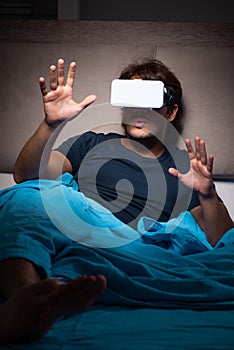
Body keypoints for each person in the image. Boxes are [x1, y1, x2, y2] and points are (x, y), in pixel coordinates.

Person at [0, 58, 233, 344]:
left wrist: (207, 195)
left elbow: (224, 241)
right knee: (28, 197)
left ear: (170, 111)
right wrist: (51, 125)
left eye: (150, 100)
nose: (140, 110)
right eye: (132, 99)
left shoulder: (187, 168)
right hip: (84, 236)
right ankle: (26, 300)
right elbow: (26, 176)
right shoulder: (89, 144)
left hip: (140, 254)